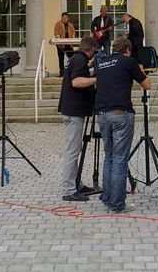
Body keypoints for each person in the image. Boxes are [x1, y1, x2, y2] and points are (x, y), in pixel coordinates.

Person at [94, 36, 151, 213]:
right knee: (119, 159)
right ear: (127, 50)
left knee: (109, 156)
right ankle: (117, 204)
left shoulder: (102, 63)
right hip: (120, 113)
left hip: (102, 114)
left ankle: (107, 197)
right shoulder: (128, 61)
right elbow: (146, 84)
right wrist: (141, 69)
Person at [57, 36, 97, 202]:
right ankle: (69, 189)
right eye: (94, 52)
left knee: (75, 148)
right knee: (72, 150)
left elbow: (80, 70)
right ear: (91, 49)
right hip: (74, 112)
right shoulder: (79, 60)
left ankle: (76, 183)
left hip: (72, 110)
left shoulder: (77, 59)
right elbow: (76, 81)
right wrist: (97, 79)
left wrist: (91, 67)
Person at [54, 12, 76, 77]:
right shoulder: (58, 24)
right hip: (61, 44)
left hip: (69, 44)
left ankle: (73, 72)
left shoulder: (70, 25)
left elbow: (73, 32)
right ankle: (62, 72)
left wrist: (73, 38)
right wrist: (58, 37)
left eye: (66, 17)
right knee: (61, 58)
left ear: (68, 18)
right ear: (61, 18)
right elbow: (56, 32)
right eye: (64, 17)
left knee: (72, 58)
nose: (65, 19)